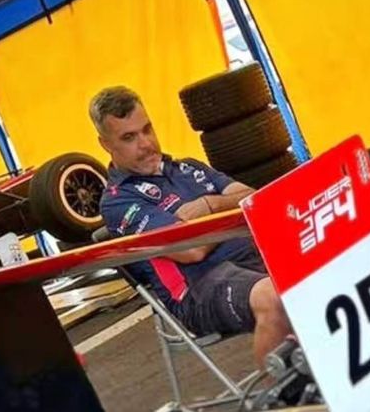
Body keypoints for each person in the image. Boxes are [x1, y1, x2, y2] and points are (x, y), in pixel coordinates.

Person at [89, 86, 292, 365]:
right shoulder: (117, 202)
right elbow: (192, 250)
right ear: (105, 144)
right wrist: (236, 213)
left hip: (255, 257)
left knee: (332, 259)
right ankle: (280, 391)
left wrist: (211, 205)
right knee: (275, 297)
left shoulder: (188, 167)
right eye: (129, 137)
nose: (146, 143)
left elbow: (255, 200)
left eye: (147, 129)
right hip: (199, 286)